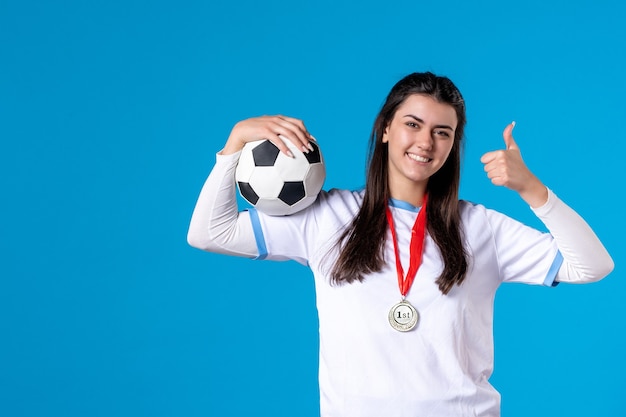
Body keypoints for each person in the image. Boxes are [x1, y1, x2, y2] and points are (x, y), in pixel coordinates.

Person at [187, 72, 614, 417]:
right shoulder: (326, 217)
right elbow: (210, 232)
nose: (426, 142)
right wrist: (232, 147)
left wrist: (531, 188)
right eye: (413, 124)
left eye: (442, 132)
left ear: (453, 145)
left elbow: (592, 266)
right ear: (387, 128)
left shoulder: (481, 227)